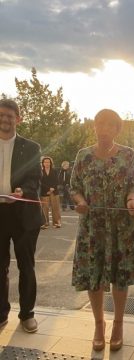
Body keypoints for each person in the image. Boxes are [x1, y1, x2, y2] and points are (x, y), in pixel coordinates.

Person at [70, 109, 134, 352]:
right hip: (92, 227)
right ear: (94, 127)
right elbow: (73, 187)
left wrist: (132, 200)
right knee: (94, 275)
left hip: (121, 226)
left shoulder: (127, 154)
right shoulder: (83, 156)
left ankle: (119, 324)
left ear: (117, 129)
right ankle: (99, 325)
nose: (104, 130)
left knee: (119, 276)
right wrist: (80, 201)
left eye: (109, 126)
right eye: (100, 125)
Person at [0, 99, 42, 333]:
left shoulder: (31, 147)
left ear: (19, 119)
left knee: (27, 266)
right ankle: (0, 314)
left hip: (23, 214)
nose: (5, 119)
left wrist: (21, 191)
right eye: (1, 115)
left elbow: (35, 178)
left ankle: (27, 314)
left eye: (10, 115)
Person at [40, 156, 61, 228]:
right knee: (45, 208)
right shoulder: (40, 171)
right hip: (44, 192)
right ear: (43, 163)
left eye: (48, 162)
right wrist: (48, 189)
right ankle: (45, 223)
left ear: (50, 163)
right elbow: (40, 182)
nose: (47, 163)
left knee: (55, 207)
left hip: (54, 191)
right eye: (45, 162)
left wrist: (52, 189)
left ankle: (57, 223)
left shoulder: (54, 171)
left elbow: (57, 181)